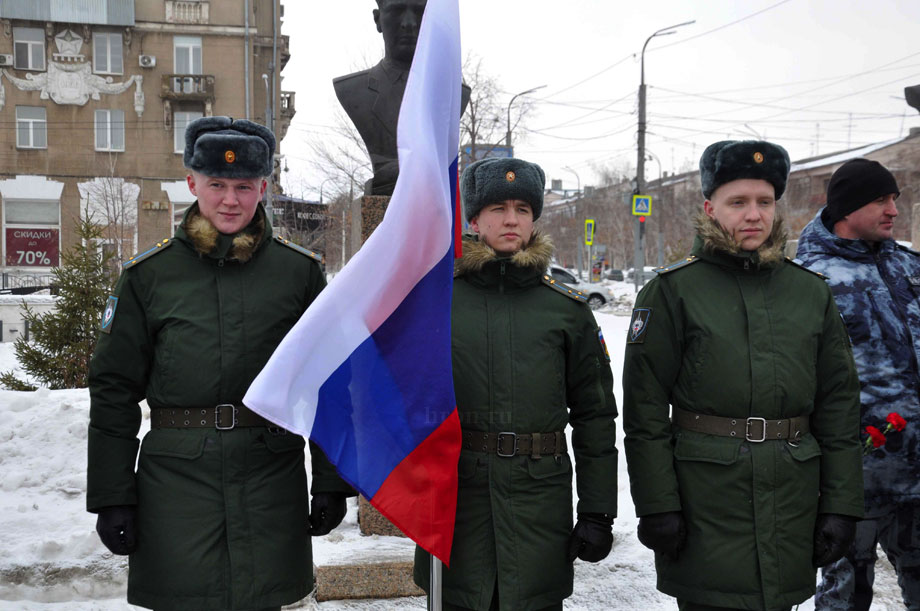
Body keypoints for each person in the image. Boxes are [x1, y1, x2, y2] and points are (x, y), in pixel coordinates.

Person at [86, 116, 354, 611]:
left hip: (269, 476)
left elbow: (329, 383)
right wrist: (111, 495)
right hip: (177, 485)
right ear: (192, 183)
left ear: (263, 188)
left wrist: (332, 483)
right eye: (216, 185)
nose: (230, 200)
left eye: (243, 186)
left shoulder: (299, 274)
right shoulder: (150, 276)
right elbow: (113, 388)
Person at [623, 140, 865, 611]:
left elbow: (839, 406)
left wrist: (841, 505)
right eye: (738, 202)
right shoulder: (673, 291)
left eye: (765, 202)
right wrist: (657, 505)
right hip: (705, 504)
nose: (753, 214)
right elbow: (645, 412)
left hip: (790, 499)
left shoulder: (809, 292)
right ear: (711, 208)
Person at [413, 157, 618, 611]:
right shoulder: (436, 303)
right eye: (498, 208)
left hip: (538, 502)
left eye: (522, 208)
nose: (511, 219)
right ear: (473, 219)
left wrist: (598, 511)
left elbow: (595, 417)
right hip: (458, 505)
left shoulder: (566, 311)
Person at [796, 158, 920, 611]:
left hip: (918, 475)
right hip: (854, 481)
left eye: (894, 199)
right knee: (846, 597)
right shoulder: (809, 279)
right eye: (880, 200)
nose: (893, 210)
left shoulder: (910, 268)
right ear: (846, 208)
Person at [333, 0, 469, 195]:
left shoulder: (454, 95)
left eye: (419, 12)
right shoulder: (351, 90)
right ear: (378, 19)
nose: (409, 23)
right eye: (397, 11)